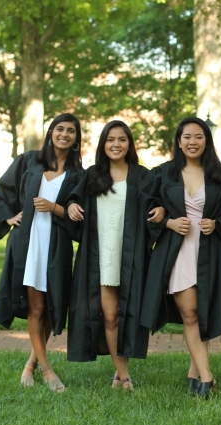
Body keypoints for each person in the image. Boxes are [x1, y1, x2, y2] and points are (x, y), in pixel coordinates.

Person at [140, 117, 221, 398]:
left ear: (206, 141)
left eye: (199, 137)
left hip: (207, 251)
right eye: (187, 137)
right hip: (178, 251)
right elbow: (146, 209)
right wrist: (168, 223)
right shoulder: (163, 174)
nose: (193, 142)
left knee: (201, 312)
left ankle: (193, 372)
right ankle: (207, 376)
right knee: (189, 314)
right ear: (178, 141)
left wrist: (218, 222)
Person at [0, 113, 85, 392]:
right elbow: (1, 191)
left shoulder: (79, 175)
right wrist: (7, 218)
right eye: (59, 129)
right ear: (50, 131)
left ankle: (29, 364)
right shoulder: (29, 161)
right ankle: (47, 369)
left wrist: (56, 208)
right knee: (37, 306)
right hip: (28, 240)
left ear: (77, 139)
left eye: (71, 131)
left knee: (53, 306)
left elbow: (79, 216)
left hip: (56, 244)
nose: (64, 134)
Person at [65, 120, 163, 390]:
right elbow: (72, 198)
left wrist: (162, 211)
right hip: (101, 255)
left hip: (130, 255)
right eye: (110, 140)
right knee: (108, 316)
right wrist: (72, 205)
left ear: (129, 144)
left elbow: (159, 202)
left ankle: (122, 372)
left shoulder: (143, 176)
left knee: (126, 312)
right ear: (103, 144)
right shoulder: (92, 175)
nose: (116, 145)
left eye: (122, 139)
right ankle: (122, 374)